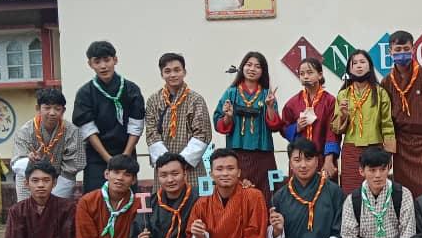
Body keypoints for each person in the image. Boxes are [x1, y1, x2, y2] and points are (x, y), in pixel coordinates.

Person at [72, 41, 145, 192]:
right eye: (97, 62)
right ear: (90, 64)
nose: (103, 66)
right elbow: (88, 129)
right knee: (95, 199)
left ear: (115, 60)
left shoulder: (131, 89)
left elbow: (136, 126)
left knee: (128, 198)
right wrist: (109, 160)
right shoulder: (85, 93)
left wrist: (124, 157)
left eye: (107, 60)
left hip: (126, 152)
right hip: (97, 155)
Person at [380, 30, 422, 198]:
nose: (402, 53)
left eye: (406, 49)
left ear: (413, 49)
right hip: (401, 142)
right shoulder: (386, 81)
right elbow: (385, 115)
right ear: (390, 51)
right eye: (398, 49)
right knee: (404, 190)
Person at [213, 51, 283, 202]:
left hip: (263, 154)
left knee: (265, 194)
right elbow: (219, 124)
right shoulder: (231, 93)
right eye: (249, 65)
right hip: (237, 154)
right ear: (242, 67)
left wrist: (270, 107)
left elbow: (275, 125)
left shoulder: (267, 94)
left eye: (257, 66)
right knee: (238, 195)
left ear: (263, 71)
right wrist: (228, 117)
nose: (252, 69)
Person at [332, 50, 396, 194]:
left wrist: (389, 154)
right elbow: (336, 129)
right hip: (351, 149)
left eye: (362, 62)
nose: (359, 66)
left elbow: (387, 124)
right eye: (354, 63)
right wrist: (342, 115)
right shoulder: (343, 94)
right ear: (349, 69)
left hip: (376, 147)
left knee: (376, 189)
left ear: (370, 66)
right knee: (351, 190)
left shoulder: (380, 93)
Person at [145, 53, 211, 181]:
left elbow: (203, 134)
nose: (173, 75)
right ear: (161, 74)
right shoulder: (153, 100)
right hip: (164, 167)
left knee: (192, 193)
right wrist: (167, 162)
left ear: (184, 72)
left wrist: (181, 161)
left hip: (190, 167)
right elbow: (151, 133)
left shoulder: (196, 100)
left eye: (177, 70)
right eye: (167, 71)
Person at [11, 88, 84, 200]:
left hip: (60, 179)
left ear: (63, 110)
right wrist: (30, 161)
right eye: (47, 108)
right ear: (38, 108)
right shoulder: (25, 131)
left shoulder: (72, 132)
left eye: (57, 109)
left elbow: (75, 164)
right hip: (29, 177)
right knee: (26, 209)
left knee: (56, 209)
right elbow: (17, 163)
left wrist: (51, 181)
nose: (52, 113)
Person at [280, 57, 340, 181]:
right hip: (300, 160)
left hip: (322, 158)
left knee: (324, 191)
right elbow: (284, 128)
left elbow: (333, 132)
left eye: (309, 72)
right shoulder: (292, 103)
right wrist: (296, 128)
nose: (305, 76)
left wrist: (329, 160)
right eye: (302, 74)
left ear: (320, 75)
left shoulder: (330, 101)